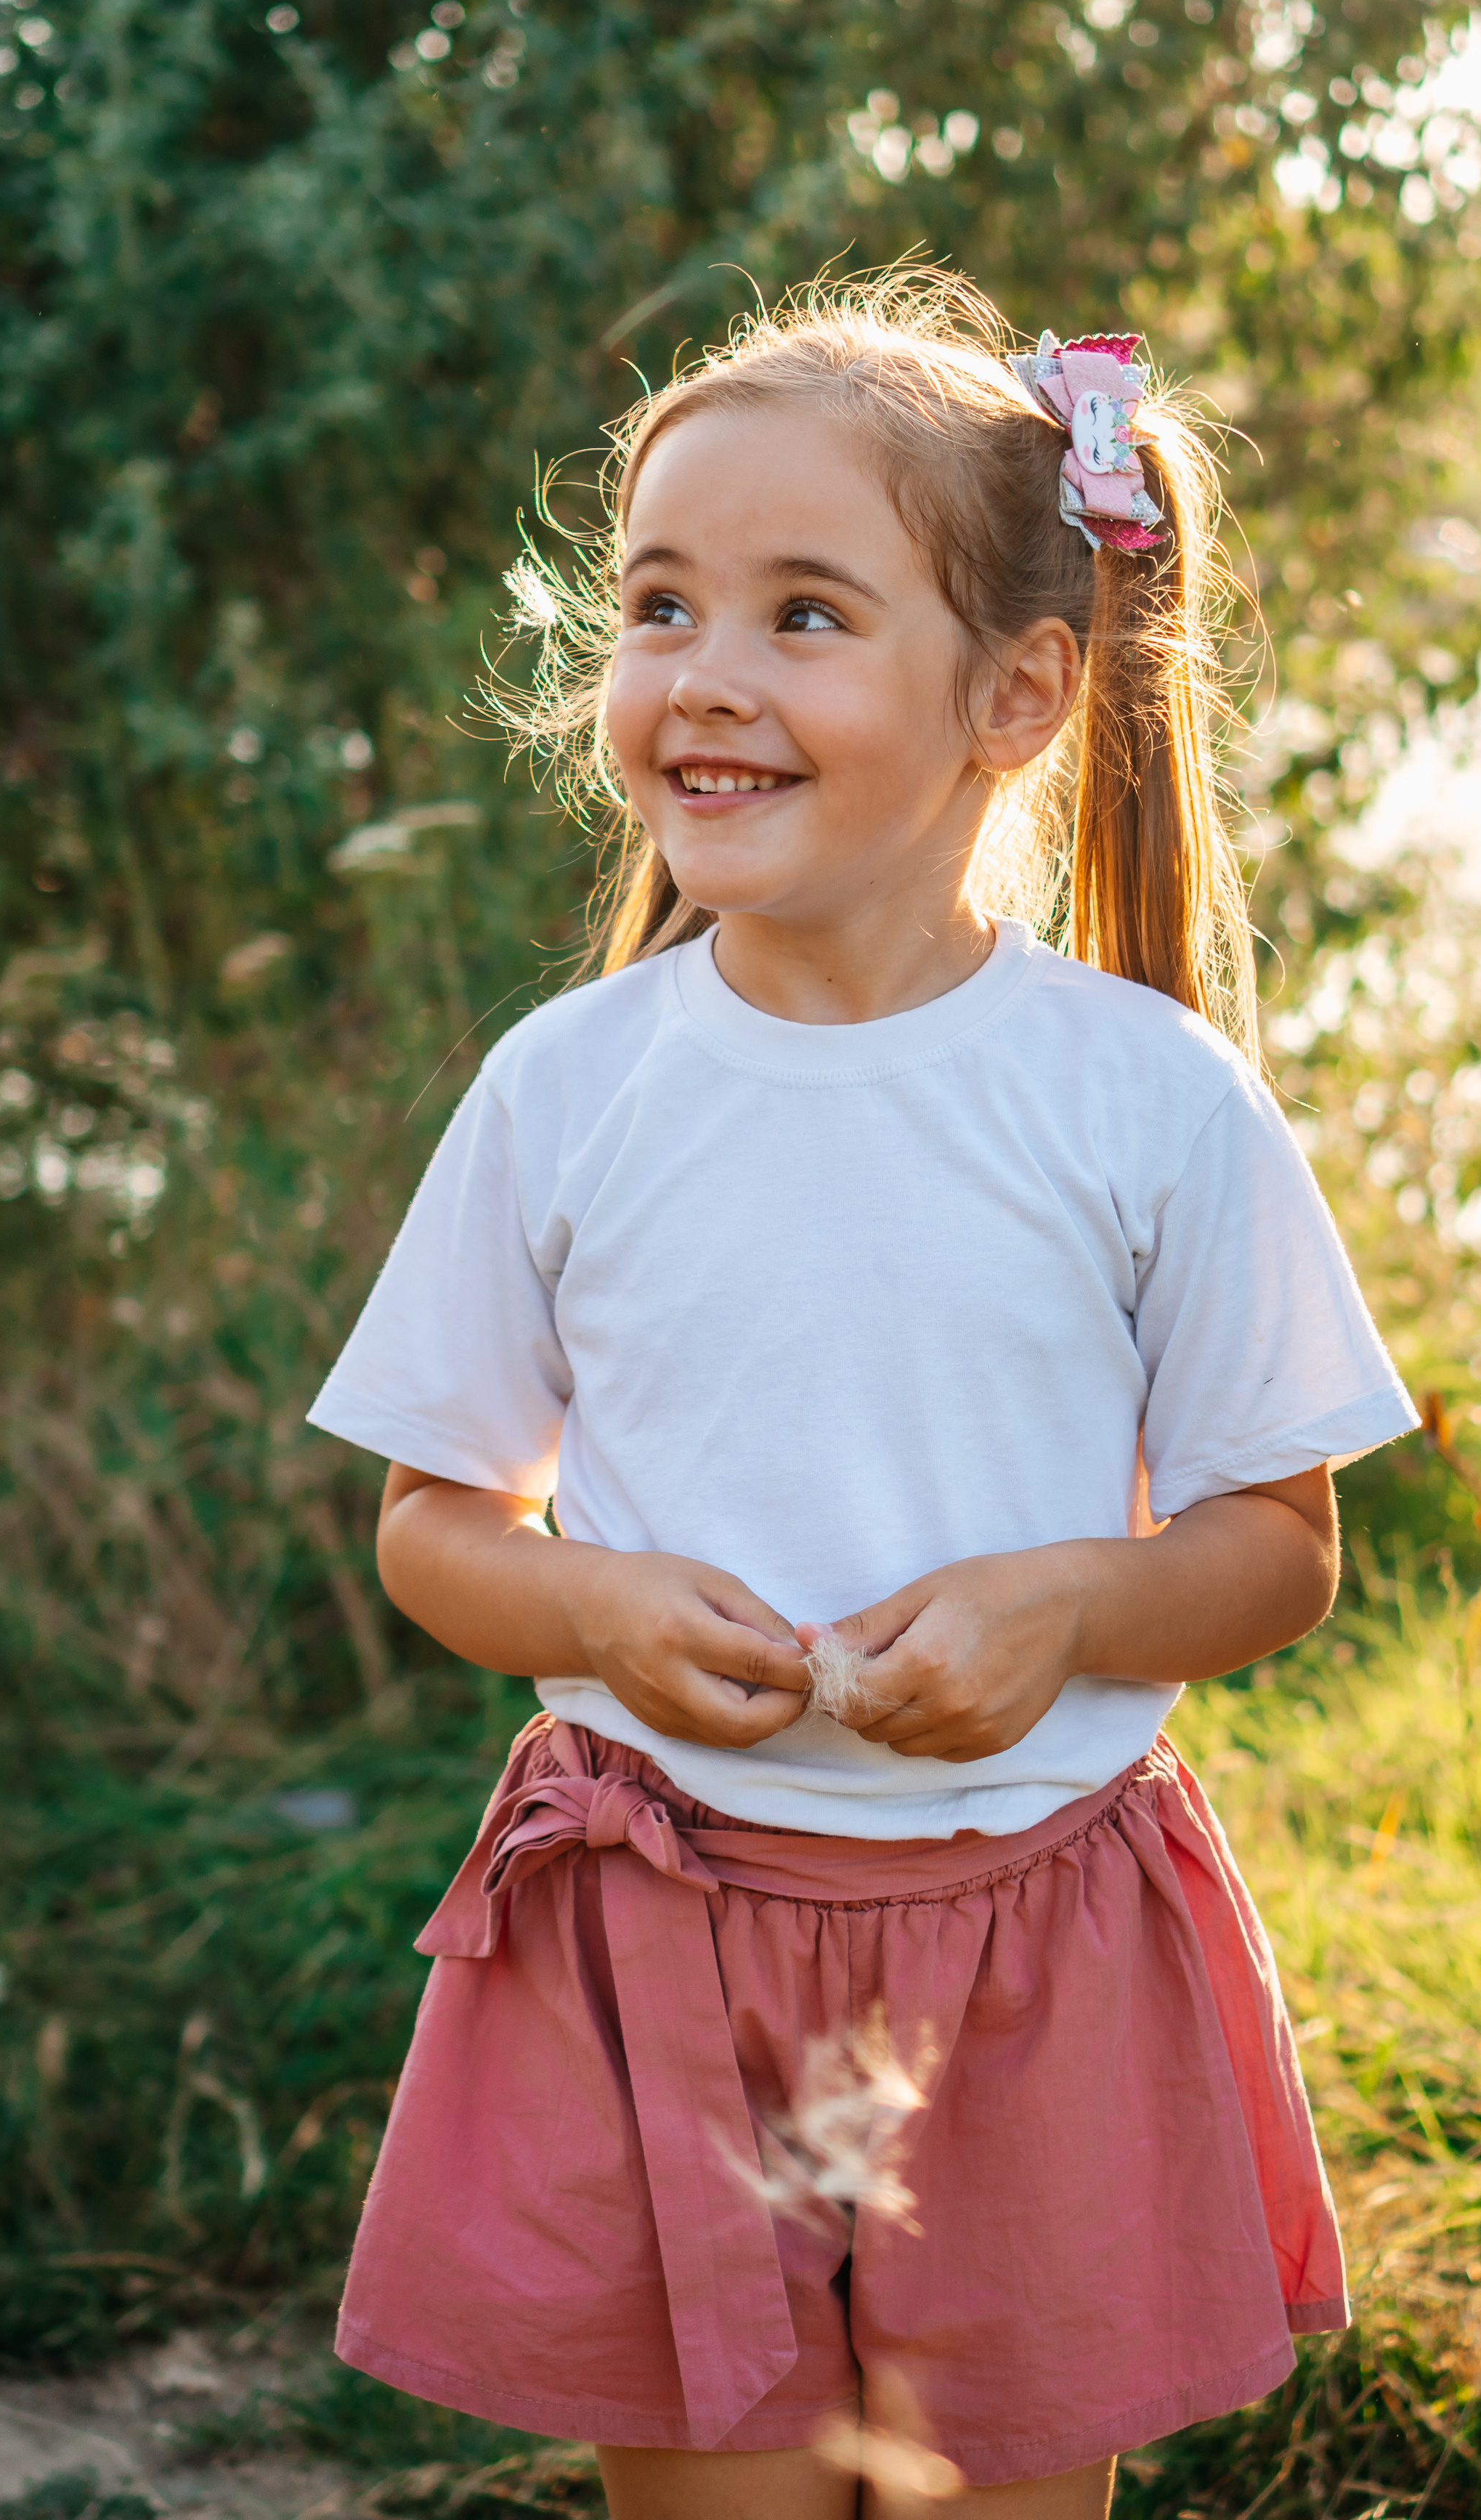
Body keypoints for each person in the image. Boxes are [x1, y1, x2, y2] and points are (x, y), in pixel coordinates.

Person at [308, 274, 1419, 2519]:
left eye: (805, 613)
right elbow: (439, 1526)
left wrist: (1066, 1610)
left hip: (1032, 1959)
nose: (702, 675)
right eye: (657, 605)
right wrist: (595, 1612)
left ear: (1014, 692)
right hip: (661, 1931)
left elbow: (1274, 1554)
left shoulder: (1146, 1102)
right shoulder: (571, 1088)